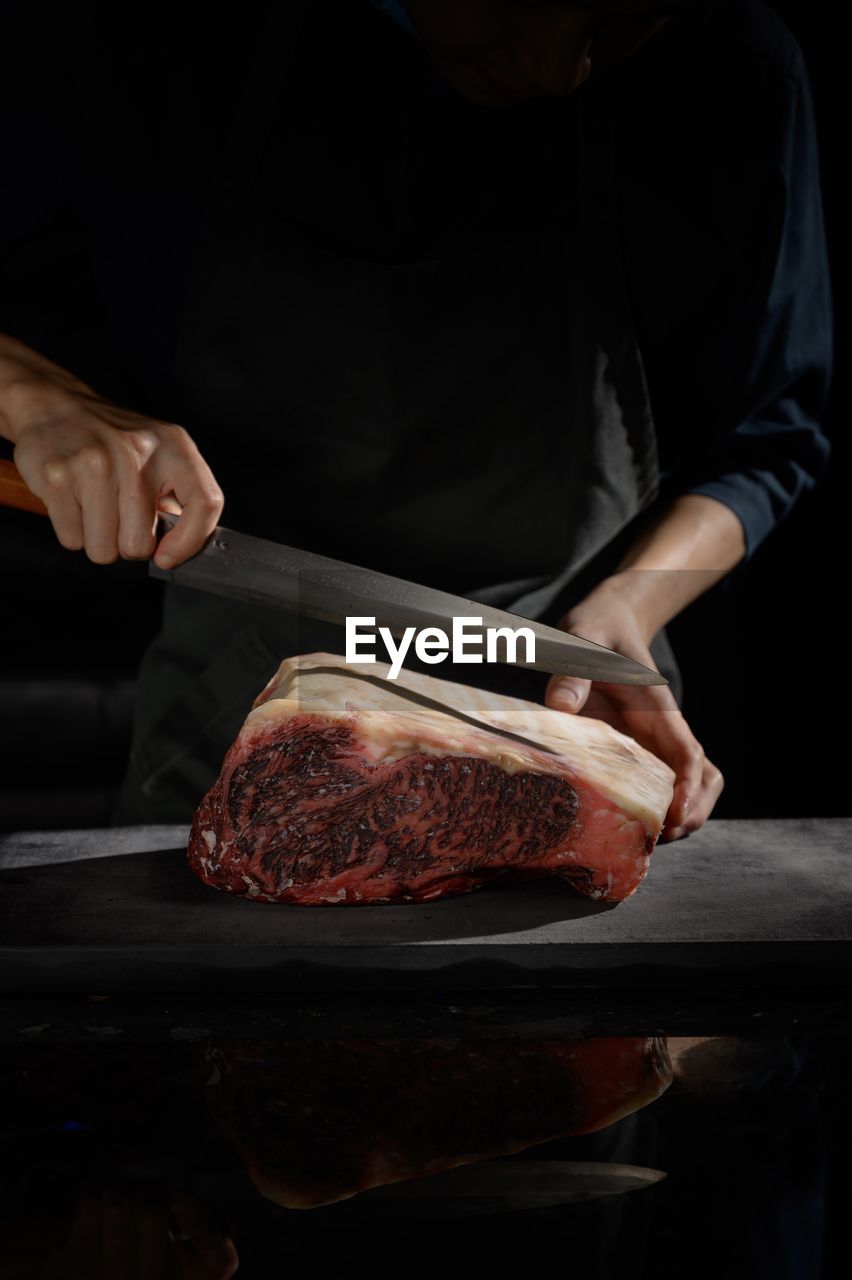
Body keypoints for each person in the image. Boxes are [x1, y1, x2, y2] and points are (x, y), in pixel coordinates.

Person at [0, 0, 832, 834]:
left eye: (618, 16)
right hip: (236, 720)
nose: (559, 69)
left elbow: (773, 436)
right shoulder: (144, 31)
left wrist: (632, 603)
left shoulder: (735, 70)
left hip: (565, 720)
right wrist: (34, 392)